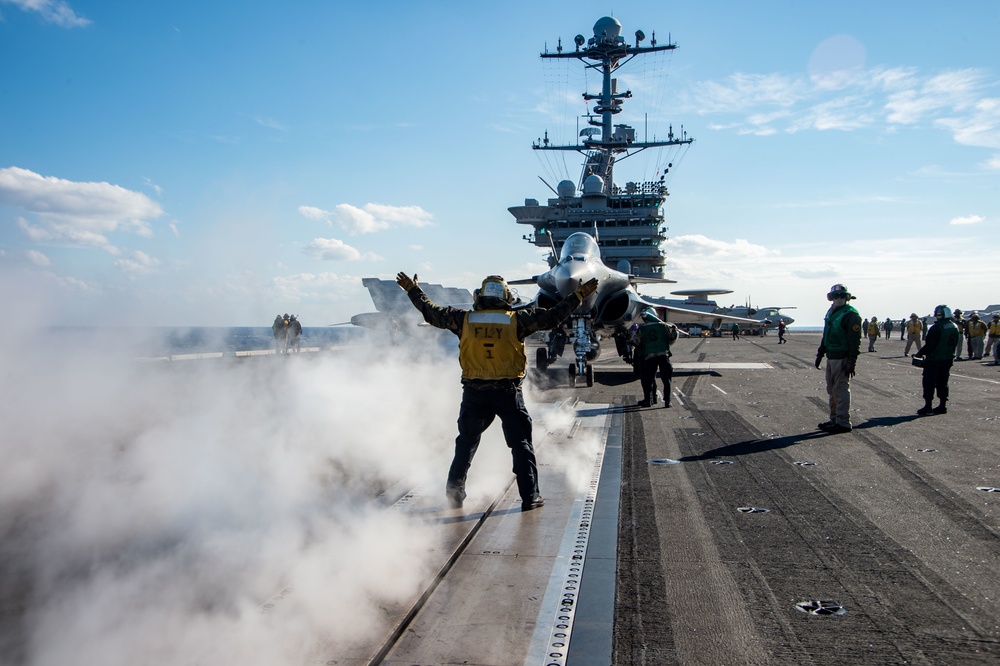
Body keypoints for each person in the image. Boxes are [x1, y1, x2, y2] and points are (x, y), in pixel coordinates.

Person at [395, 271, 599, 511]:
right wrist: (578, 296)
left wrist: (412, 290)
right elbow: (553, 317)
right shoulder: (517, 319)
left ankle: (455, 493)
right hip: (507, 392)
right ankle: (530, 496)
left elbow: (431, 312)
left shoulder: (463, 319)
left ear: (480, 296)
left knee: (466, 443)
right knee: (521, 444)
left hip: (474, 393)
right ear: (506, 297)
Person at [815, 284, 862, 434]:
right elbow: (826, 334)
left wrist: (852, 360)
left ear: (847, 297)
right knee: (831, 389)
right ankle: (834, 419)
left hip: (842, 357)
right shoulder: (831, 312)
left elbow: (855, 340)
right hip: (831, 356)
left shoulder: (851, 315)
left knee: (841, 389)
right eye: (836, 296)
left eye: (842, 296)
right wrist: (820, 353)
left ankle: (843, 422)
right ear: (831, 298)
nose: (839, 299)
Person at [914, 305, 961, 415]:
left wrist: (920, 353)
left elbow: (930, 345)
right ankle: (942, 405)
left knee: (929, 383)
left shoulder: (937, 327)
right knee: (943, 382)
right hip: (948, 358)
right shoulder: (954, 326)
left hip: (935, 359)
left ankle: (928, 406)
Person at [634, 308, 678, 407]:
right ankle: (667, 402)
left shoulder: (642, 328)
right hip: (663, 356)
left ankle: (648, 400)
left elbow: (636, 342)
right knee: (666, 380)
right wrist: (674, 329)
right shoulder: (663, 326)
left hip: (649, 357)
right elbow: (671, 337)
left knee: (648, 379)